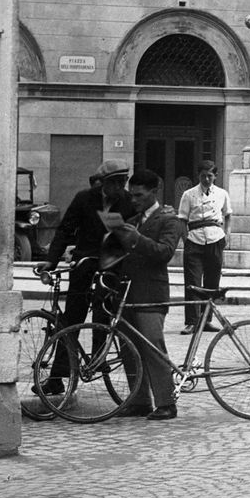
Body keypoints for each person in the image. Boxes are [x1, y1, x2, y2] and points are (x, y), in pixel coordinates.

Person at [38, 162, 135, 402]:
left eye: (122, 182)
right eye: (114, 182)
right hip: (84, 264)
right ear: (103, 182)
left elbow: (126, 237)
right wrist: (51, 260)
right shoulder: (84, 199)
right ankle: (57, 377)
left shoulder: (127, 202)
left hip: (111, 267)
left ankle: (97, 361)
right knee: (71, 319)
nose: (119, 187)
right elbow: (65, 230)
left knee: (103, 316)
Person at [101, 168, 182, 418]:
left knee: (152, 346)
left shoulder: (169, 220)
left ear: (153, 192)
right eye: (132, 195)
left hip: (151, 293)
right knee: (129, 349)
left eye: (139, 195)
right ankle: (139, 401)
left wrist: (135, 239)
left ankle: (167, 402)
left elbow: (164, 252)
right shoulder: (133, 220)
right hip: (127, 294)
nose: (134, 200)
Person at [177, 160, 231, 329]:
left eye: (210, 176)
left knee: (212, 282)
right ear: (198, 176)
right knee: (192, 282)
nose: (206, 179)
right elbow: (182, 220)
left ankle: (206, 320)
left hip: (215, 239)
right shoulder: (189, 194)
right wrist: (186, 239)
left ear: (215, 176)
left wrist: (227, 235)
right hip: (194, 239)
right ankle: (192, 322)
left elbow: (228, 214)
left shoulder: (222, 193)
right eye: (203, 176)